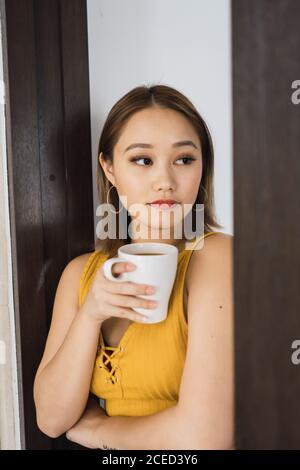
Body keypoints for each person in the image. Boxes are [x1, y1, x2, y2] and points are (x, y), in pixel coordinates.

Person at [33, 84, 234, 450]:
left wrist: (96, 432)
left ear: (203, 167)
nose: (165, 181)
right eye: (142, 160)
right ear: (109, 168)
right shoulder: (80, 274)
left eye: (184, 159)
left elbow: (205, 439)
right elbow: (50, 419)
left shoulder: (217, 257)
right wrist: (90, 315)